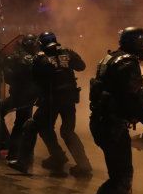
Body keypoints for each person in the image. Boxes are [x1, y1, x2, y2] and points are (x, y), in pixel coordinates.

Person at [89, 27, 143, 194]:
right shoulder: (128, 64)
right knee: (121, 180)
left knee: (118, 176)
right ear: (136, 44)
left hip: (102, 122)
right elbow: (132, 102)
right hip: (112, 126)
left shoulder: (111, 58)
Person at [9, 31, 92, 177]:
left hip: (51, 99)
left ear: (41, 44)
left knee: (33, 125)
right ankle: (79, 163)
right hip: (69, 99)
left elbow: (35, 79)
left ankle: (23, 162)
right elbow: (81, 66)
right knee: (66, 131)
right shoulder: (67, 53)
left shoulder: (40, 58)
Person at [0, 34, 39, 161]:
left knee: (19, 124)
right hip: (30, 96)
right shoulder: (37, 58)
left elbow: (11, 78)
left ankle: (14, 152)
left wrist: (6, 65)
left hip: (20, 95)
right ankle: (25, 153)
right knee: (25, 124)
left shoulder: (17, 59)